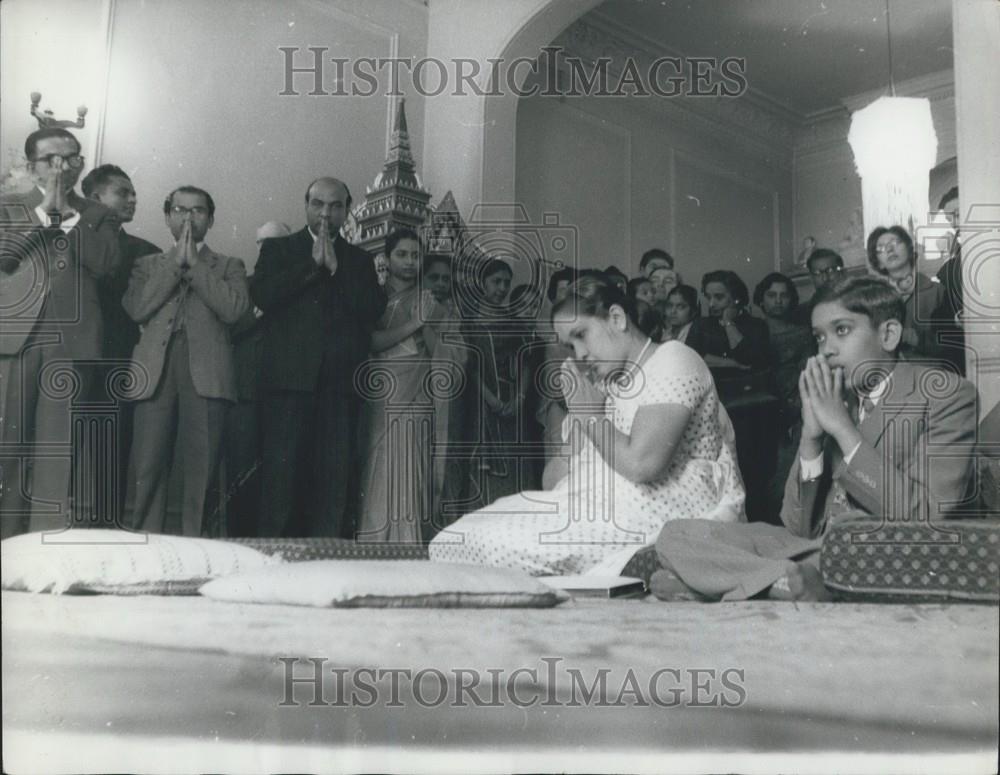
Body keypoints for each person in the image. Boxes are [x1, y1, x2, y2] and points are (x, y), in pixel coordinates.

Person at [653, 275, 978, 601]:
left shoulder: (945, 394)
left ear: (888, 334)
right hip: (814, 549)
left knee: (842, 550)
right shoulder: (837, 397)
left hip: (881, 547)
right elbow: (795, 528)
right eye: (819, 338)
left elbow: (926, 519)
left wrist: (843, 430)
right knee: (677, 533)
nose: (827, 351)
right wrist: (810, 437)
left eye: (842, 330)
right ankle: (782, 582)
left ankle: (725, 582)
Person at [429, 275, 745, 576]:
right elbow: (552, 478)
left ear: (617, 319)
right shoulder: (602, 380)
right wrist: (581, 421)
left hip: (663, 504)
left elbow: (643, 465)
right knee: (454, 539)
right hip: (595, 500)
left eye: (581, 335)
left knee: (497, 547)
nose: (579, 354)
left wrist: (590, 415)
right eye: (569, 346)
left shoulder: (673, 358)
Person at [0, 128, 122, 536]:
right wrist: (43, 214)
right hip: (15, 342)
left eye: (72, 159)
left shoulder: (98, 213)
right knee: (8, 448)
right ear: (31, 164)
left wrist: (68, 216)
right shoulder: (9, 206)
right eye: (52, 159)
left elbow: (106, 264)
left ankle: (42, 547)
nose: (63, 167)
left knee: (57, 451)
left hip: (73, 345)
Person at [251, 177, 385, 538]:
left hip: (339, 390)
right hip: (287, 387)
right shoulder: (278, 249)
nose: (326, 213)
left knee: (332, 484)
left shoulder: (359, 260)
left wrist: (337, 270)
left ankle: (325, 561)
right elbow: (263, 295)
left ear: (347, 209)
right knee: (280, 482)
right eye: (318, 204)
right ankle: (271, 563)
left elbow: (372, 309)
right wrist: (312, 268)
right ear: (306, 205)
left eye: (335, 205)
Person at [123, 186, 248, 536]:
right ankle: (144, 545)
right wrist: (175, 264)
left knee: (202, 468)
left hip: (207, 373)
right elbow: (137, 308)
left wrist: (194, 265)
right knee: (146, 465)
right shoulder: (145, 265)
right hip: (154, 370)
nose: (188, 218)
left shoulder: (229, 265)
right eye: (180, 210)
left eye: (198, 211)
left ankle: (196, 547)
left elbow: (234, 310)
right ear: (167, 217)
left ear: (210, 219)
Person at [356, 230, 461, 542]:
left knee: (408, 465)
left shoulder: (430, 302)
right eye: (402, 254)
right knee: (376, 463)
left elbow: (444, 354)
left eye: (416, 255)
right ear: (386, 258)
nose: (410, 261)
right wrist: (415, 323)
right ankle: (373, 542)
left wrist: (427, 323)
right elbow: (370, 341)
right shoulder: (372, 296)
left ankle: (406, 543)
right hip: (378, 389)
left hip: (416, 392)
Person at [81, 163, 162, 525]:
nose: (133, 199)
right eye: (122, 192)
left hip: (119, 362)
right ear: (96, 197)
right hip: (67, 360)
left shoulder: (147, 251)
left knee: (111, 455)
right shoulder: (68, 239)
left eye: (133, 193)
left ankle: (104, 531)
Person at [461, 258, 537, 507]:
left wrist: (519, 399)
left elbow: (526, 363)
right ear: (482, 283)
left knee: (516, 466)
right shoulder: (469, 321)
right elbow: (469, 366)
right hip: (482, 403)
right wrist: (491, 399)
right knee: (484, 473)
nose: (502, 288)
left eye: (506, 282)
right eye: (496, 282)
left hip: (515, 403)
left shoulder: (514, 321)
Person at [866, 225, 951, 366]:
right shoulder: (873, 300)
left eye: (895, 243)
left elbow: (952, 344)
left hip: (934, 376)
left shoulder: (937, 292)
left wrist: (916, 339)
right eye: (881, 248)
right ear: (878, 263)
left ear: (910, 250)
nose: (889, 249)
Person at [686, 270, 770, 395]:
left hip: (747, 395)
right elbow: (690, 358)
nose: (711, 304)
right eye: (708, 297)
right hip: (709, 393)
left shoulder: (756, 325)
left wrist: (728, 323)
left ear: (736, 298)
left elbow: (749, 360)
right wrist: (733, 363)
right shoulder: (701, 325)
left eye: (719, 297)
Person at [792, 248, 844, 327]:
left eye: (830, 271)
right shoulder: (801, 313)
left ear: (841, 272)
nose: (825, 278)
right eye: (817, 273)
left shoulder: (857, 303)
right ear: (811, 277)